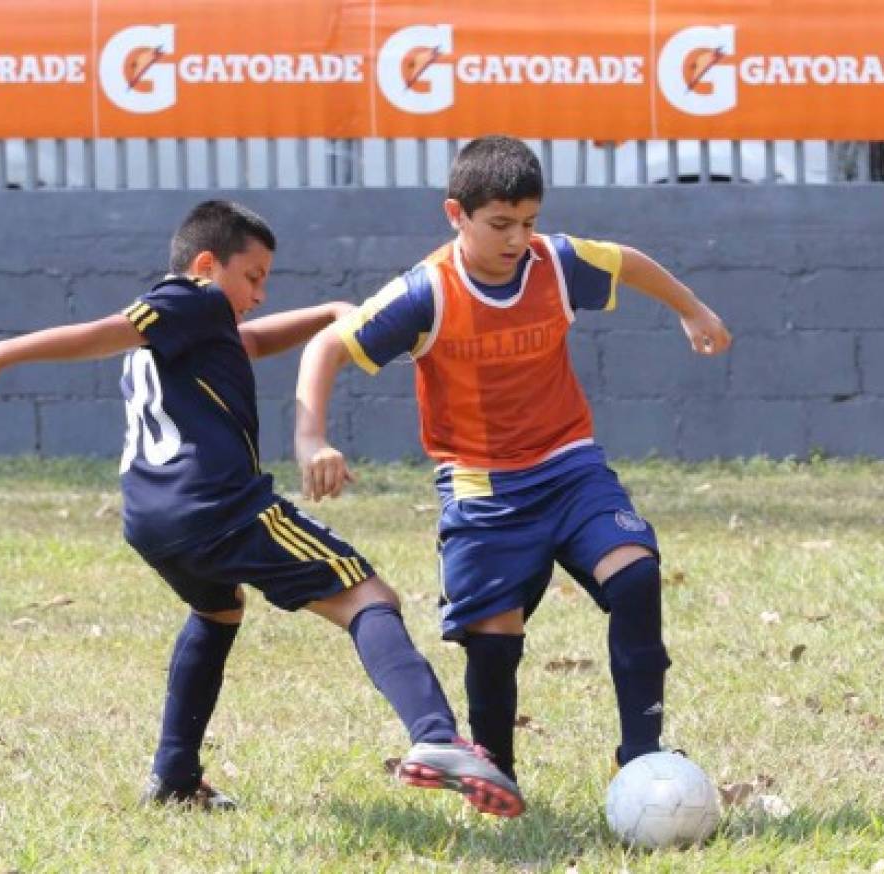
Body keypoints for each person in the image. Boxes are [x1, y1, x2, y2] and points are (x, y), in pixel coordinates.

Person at [0, 199, 524, 817]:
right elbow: (104, 331)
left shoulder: (186, 330)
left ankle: (173, 775)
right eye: (251, 277)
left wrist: (328, 314)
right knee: (367, 595)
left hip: (151, 521)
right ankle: (436, 737)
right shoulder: (186, 301)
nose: (258, 294)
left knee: (217, 610)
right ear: (205, 265)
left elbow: (246, 341)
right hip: (218, 508)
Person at [294, 135, 732, 795]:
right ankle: (494, 770)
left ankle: (641, 755)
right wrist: (310, 440)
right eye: (499, 224)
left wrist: (691, 309)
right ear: (456, 215)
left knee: (636, 576)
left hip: (570, 467)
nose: (515, 238)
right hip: (483, 488)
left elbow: (628, 262)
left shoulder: (555, 263)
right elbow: (328, 344)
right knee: (493, 638)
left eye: (527, 222)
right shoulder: (426, 294)